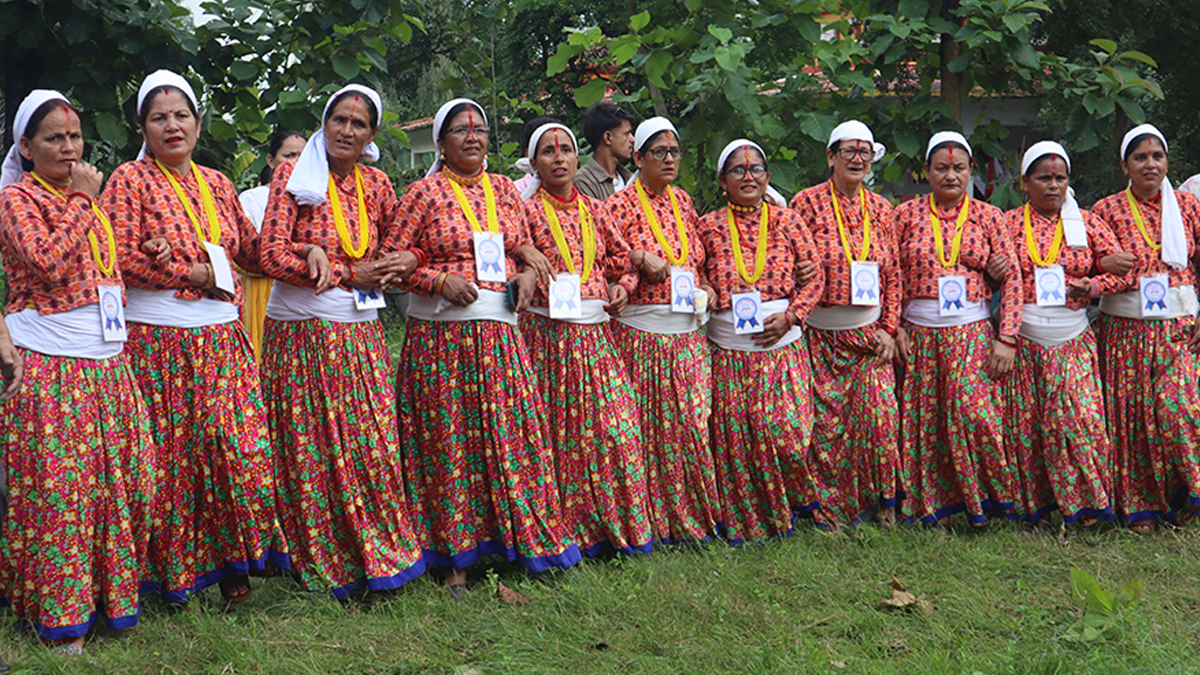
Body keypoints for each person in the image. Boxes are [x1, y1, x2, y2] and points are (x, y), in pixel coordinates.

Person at [101, 70, 289, 604]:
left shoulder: (219, 184)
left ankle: (236, 560)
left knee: (238, 450)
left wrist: (305, 238)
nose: (172, 125)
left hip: (222, 341)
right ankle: (179, 576)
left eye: (181, 115)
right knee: (174, 461)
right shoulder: (129, 181)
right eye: (159, 117)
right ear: (143, 127)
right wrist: (191, 275)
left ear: (199, 124)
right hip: (159, 339)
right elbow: (118, 258)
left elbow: (253, 253)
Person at [388, 98, 580, 596]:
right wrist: (437, 281)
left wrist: (526, 274)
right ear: (440, 142)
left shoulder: (503, 191)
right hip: (442, 340)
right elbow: (393, 262)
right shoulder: (422, 193)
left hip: (500, 338)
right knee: (450, 442)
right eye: (460, 130)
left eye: (480, 130)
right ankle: (455, 558)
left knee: (511, 437)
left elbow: (520, 247)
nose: (473, 137)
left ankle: (519, 541)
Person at [0, 90, 155, 651]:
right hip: (51, 366)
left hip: (109, 363)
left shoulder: (84, 198)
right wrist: (84, 203)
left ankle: (107, 600)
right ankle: (60, 623)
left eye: (74, 136)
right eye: (53, 138)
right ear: (26, 146)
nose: (69, 148)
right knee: (64, 494)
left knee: (134, 482)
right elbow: (46, 260)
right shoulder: (18, 200)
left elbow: (102, 266)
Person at [259, 85, 427, 596]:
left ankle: (378, 550)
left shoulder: (377, 184)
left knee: (370, 442)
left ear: (371, 134)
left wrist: (411, 263)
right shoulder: (293, 174)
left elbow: (402, 245)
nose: (346, 131)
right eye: (339, 120)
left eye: (358, 124)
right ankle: (319, 555)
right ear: (324, 123)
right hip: (304, 333)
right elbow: (269, 253)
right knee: (312, 447)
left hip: (361, 336)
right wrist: (342, 271)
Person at [517, 121, 652, 556]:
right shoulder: (525, 211)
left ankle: (618, 527)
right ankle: (570, 533)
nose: (559, 159)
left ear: (578, 158)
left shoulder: (596, 210)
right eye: (548, 152)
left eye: (567, 150)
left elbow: (623, 259)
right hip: (547, 337)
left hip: (596, 338)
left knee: (617, 429)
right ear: (535, 163)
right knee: (559, 437)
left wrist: (623, 287)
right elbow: (508, 255)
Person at [893, 131, 1021, 528]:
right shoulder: (905, 215)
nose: (951, 176)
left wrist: (1008, 338)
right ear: (926, 171)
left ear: (970, 172)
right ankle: (935, 508)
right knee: (928, 422)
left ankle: (991, 502)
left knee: (974, 415)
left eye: (959, 168)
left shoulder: (989, 216)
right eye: (942, 168)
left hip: (971, 331)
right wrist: (893, 325)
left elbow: (1013, 279)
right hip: (920, 334)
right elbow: (889, 273)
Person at [699, 139, 824, 542]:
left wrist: (791, 316)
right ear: (723, 181)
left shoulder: (788, 222)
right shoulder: (708, 225)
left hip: (780, 348)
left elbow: (815, 277)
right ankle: (751, 521)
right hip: (729, 352)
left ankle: (796, 504)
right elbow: (693, 269)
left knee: (786, 435)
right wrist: (705, 288)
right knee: (737, 440)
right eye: (738, 170)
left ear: (767, 177)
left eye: (755, 170)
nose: (748, 176)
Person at [999, 141, 1130, 529]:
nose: (1053, 186)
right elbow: (999, 279)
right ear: (1025, 182)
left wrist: (1091, 286)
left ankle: (1090, 508)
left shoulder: (1086, 223)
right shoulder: (1007, 223)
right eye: (1044, 178)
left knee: (1079, 422)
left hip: (1073, 339)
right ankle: (1035, 510)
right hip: (1024, 340)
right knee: (1029, 427)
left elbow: (1125, 273)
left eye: (1060, 178)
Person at [606, 116, 721, 543]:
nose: (670, 159)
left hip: (688, 334)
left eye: (675, 152)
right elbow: (605, 261)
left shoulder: (685, 202)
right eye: (660, 152)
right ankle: (650, 522)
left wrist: (707, 289)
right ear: (637, 157)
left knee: (691, 425)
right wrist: (637, 257)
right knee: (648, 430)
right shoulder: (618, 206)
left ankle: (692, 518)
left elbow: (700, 265)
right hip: (640, 336)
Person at [790, 121, 901, 528]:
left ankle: (884, 501)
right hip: (820, 335)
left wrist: (889, 329)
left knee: (880, 417)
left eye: (865, 152)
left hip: (870, 337)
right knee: (825, 427)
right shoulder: (805, 203)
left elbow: (895, 277)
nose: (857, 159)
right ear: (830, 157)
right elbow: (789, 260)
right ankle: (827, 511)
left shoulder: (882, 209)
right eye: (849, 151)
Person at [1091, 124, 1200, 532]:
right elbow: (1091, 261)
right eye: (1140, 157)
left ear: (1168, 162)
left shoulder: (1188, 207)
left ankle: (1190, 494)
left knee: (1178, 409)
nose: (1150, 164)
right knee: (1133, 421)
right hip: (1126, 329)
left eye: (1157, 157)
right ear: (1125, 166)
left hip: (1179, 329)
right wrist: (1102, 266)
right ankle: (1143, 509)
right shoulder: (1105, 210)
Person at [238, 129, 305, 358]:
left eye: (302, 157)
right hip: (262, 292)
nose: (296, 163)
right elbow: (250, 249)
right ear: (270, 160)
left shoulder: (314, 198)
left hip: (304, 292)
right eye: (289, 155)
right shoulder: (252, 198)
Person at [574, 102, 635, 201]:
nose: (632, 139)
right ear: (608, 137)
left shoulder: (629, 178)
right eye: (626, 134)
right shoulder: (583, 183)